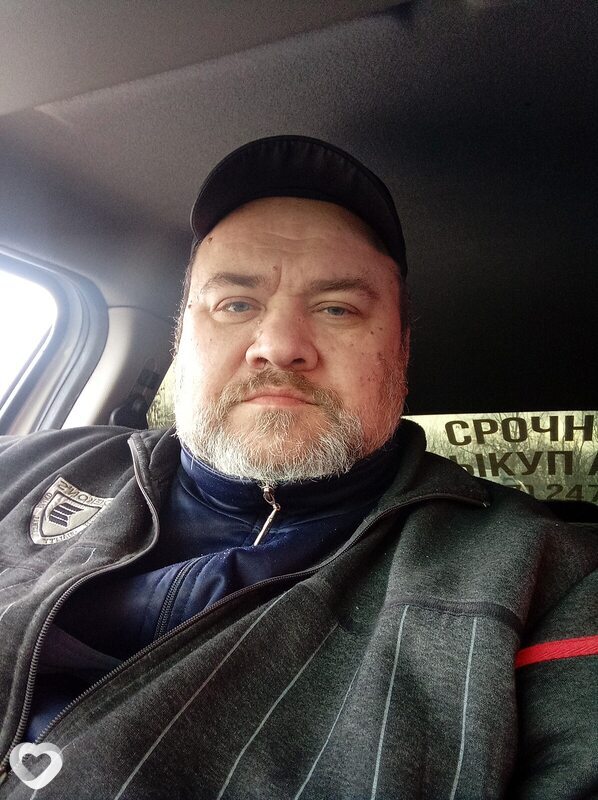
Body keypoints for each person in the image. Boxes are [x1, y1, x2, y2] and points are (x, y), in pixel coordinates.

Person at [0, 136, 595, 799]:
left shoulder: (549, 577)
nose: (279, 346)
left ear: (401, 350)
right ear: (181, 337)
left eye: (337, 308)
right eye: (235, 304)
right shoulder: (24, 463)